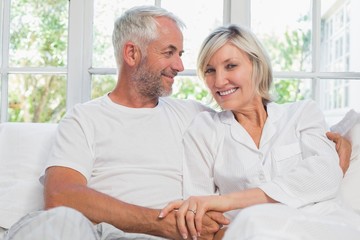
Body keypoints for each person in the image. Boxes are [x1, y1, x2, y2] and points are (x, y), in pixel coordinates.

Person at [2, 6, 351, 240]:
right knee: (59, 223)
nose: (180, 67)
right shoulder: (85, 118)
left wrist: (335, 160)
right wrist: (161, 221)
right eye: (170, 52)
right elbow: (61, 194)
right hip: (89, 231)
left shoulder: (197, 116)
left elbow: (211, 194)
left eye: (182, 55)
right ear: (132, 53)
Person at [159, 24, 360, 240]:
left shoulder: (301, 114)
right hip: (253, 233)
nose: (218, 81)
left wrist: (226, 201)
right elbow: (200, 212)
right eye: (210, 70)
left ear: (257, 65)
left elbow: (326, 176)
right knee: (253, 222)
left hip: (325, 226)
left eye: (231, 66)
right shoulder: (204, 130)